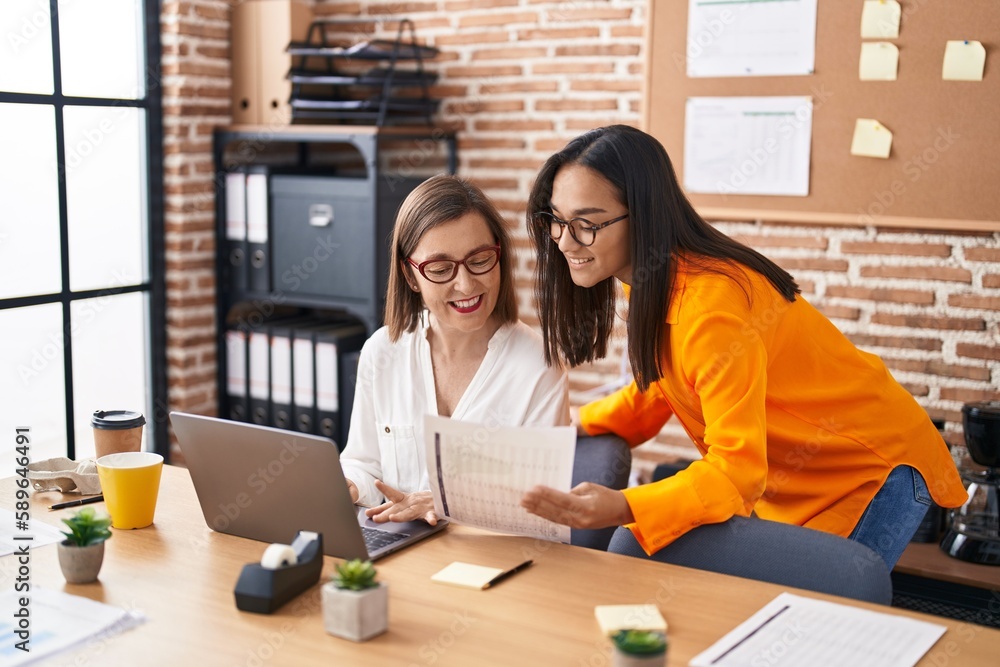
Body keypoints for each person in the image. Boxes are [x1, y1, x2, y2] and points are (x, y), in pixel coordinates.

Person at [518, 125, 966, 569]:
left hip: (871, 466)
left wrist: (623, 506)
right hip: (793, 474)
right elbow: (666, 382)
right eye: (556, 220)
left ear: (644, 214)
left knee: (824, 614)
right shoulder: (652, 279)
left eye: (586, 224)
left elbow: (736, 472)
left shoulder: (710, 309)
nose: (564, 240)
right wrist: (580, 420)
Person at [340, 174, 570, 525]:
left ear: (499, 256)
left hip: (490, 564)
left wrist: (444, 503)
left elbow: (543, 508)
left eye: (479, 260)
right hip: (396, 550)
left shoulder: (538, 366)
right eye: (441, 269)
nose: (465, 285)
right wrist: (348, 486)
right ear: (410, 275)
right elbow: (364, 463)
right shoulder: (382, 352)